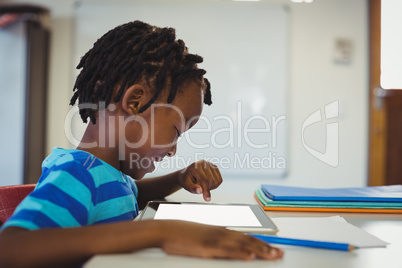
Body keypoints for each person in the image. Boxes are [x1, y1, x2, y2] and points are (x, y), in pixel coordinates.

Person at [0, 20, 283, 268]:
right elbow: (10, 249)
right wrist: (161, 233)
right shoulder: (76, 174)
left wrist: (180, 177)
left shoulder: (108, 175)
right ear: (135, 102)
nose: (173, 149)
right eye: (175, 130)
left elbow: (130, 196)